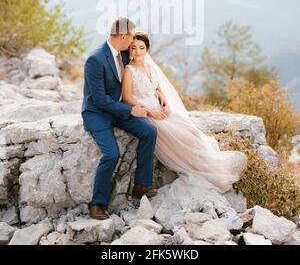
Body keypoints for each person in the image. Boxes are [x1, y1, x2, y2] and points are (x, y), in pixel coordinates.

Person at [122, 31, 247, 194]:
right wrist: (151, 112)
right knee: (180, 136)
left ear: (147, 49)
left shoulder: (150, 66)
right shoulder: (129, 70)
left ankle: (214, 169)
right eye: (133, 48)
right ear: (129, 50)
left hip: (159, 108)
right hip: (146, 112)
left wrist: (163, 100)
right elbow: (127, 97)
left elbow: (157, 87)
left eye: (141, 47)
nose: (137, 51)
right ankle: (208, 175)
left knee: (191, 132)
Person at [81, 18, 162, 220]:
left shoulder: (125, 53)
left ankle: (141, 184)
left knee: (149, 131)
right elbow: (100, 100)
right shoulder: (95, 60)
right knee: (111, 155)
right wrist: (132, 110)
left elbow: (143, 68)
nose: (133, 43)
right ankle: (97, 204)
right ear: (123, 36)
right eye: (132, 38)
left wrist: (158, 91)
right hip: (97, 113)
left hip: (119, 110)